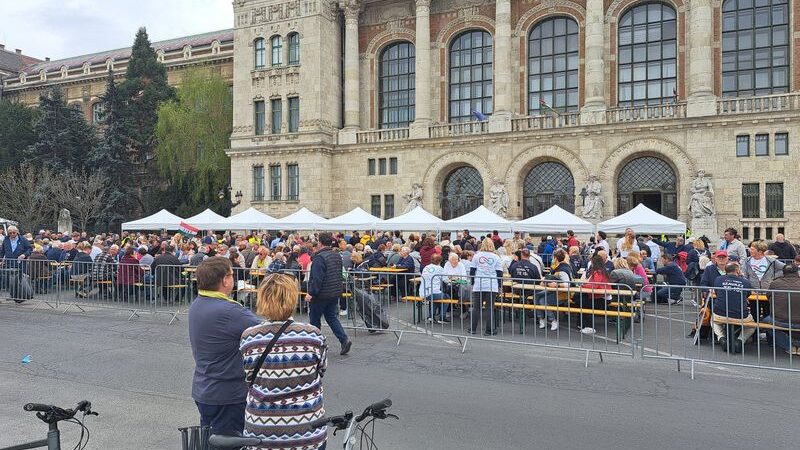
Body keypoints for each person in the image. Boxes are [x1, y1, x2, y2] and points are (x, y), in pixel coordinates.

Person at [240, 273, 328, 449]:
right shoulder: (312, 335)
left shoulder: (249, 337)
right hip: (307, 429)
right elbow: (321, 370)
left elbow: (250, 377)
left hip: (261, 429)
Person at [188, 257, 261, 436]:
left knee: (211, 440)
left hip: (205, 388)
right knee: (230, 441)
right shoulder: (230, 311)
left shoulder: (198, 303)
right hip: (227, 394)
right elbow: (267, 331)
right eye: (232, 275)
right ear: (225, 280)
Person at [306, 233, 352, 355]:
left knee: (315, 320)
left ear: (320, 243)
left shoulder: (319, 258)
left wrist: (311, 293)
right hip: (334, 292)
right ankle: (344, 339)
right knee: (331, 317)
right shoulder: (336, 255)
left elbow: (317, 278)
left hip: (321, 294)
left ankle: (317, 345)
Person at [711, 262, 755, 353]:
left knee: (714, 321)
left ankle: (721, 338)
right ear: (737, 270)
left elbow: (717, 292)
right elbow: (748, 295)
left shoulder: (718, 279)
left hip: (720, 313)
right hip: (740, 315)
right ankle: (740, 340)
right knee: (752, 325)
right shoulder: (745, 282)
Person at [762, 264, 800, 355]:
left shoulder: (775, 283)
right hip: (796, 320)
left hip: (780, 320)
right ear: (797, 272)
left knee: (764, 322)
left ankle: (789, 346)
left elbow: (768, 297)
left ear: (783, 273)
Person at [469, 238, 503, 336]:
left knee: (476, 307)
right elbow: (499, 273)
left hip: (479, 284)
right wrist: (500, 286)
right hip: (491, 284)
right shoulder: (496, 257)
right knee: (489, 308)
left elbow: (472, 272)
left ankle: (473, 329)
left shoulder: (477, 256)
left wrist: (472, 283)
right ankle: (488, 330)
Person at [534, 249, 571, 331]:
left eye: (552, 258)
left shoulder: (563, 270)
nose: (551, 259)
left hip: (562, 294)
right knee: (537, 295)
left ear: (555, 259)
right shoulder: (556, 268)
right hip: (554, 292)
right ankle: (541, 318)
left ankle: (552, 320)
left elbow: (567, 284)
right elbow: (550, 278)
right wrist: (545, 281)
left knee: (542, 301)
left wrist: (556, 285)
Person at [420, 254, 448, 323]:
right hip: (432, 292)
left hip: (423, 292)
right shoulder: (440, 269)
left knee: (435, 297)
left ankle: (431, 316)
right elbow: (446, 280)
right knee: (447, 297)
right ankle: (442, 317)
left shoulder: (426, 267)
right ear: (440, 261)